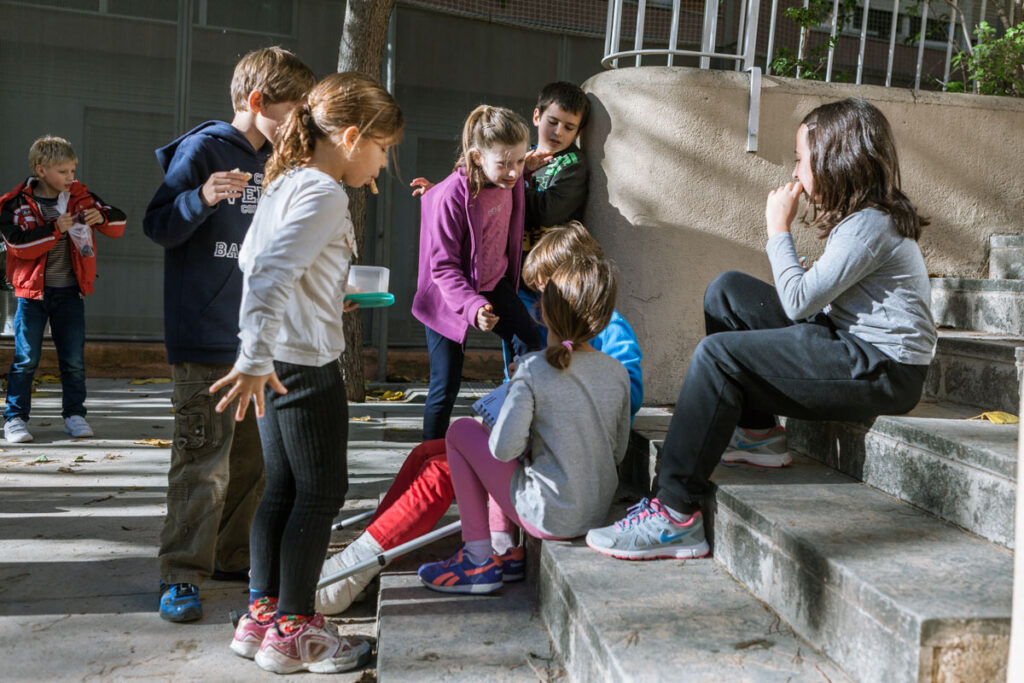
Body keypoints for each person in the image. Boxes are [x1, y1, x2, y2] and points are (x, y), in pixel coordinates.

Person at [586, 97, 937, 561]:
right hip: (851, 342)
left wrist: (778, 230)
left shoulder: (869, 224)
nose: (794, 172)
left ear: (834, 161)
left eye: (801, 160)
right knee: (727, 291)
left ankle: (673, 514)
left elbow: (795, 304)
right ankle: (757, 435)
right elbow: (809, 296)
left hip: (884, 368)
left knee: (719, 356)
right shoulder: (864, 220)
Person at [314, 221, 643, 615]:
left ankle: (457, 558)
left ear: (569, 290)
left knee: (451, 454)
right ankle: (374, 548)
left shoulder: (583, 345)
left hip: (550, 481)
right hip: (584, 492)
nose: (536, 303)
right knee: (426, 455)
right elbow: (616, 441)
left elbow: (513, 445)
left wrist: (536, 410)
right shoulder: (591, 356)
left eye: (544, 292)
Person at [211, 71, 403, 674]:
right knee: (321, 494)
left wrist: (325, 293)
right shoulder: (325, 193)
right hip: (304, 366)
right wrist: (252, 356)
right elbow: (267, 272)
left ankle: (262, 617)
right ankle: (296, 631)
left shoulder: (285, 181)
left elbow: (258, 262)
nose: (378, 170)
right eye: (381, 153)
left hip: (279, 361)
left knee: (284, 490)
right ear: (350, 137)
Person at [143, 46, 316, 624]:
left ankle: (231, 556)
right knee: (201, 460)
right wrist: (200, 196)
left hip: (254, 342)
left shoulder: (278, 163)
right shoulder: (203, 149)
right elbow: (159, 225)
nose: (297, 124)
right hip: (203, 341)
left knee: (251, 462)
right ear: (258, 101)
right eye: (291, 111)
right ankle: (180, 573)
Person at [418, 255, 631, 594]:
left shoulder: (532, 368)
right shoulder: (617, 372)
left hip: (548, 515)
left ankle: (477, 559)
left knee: (461, 431)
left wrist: (518, 394)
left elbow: (504, 450)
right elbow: (618, 450)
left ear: (544, 310)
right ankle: (505, 552)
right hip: (596, 511)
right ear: (604, 316)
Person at [412, 105, 542, 441]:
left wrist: (526, 167)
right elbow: (443, 267)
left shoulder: (509, 178)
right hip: (448, 296)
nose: (512, 172)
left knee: (531, 344)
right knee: (445, 385)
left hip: (492, 282)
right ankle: (430, 463)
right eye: (504, 163)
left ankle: (512, 430)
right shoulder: (451, 197)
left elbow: (512, 169)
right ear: (476, 157)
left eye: (518, 160)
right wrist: (471, 306)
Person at [0, 135, 126, 444]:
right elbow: (18, 245)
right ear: (40, 170)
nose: (70, 178)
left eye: (73, 170)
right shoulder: (15, 204)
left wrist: (103, 216)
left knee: (73, 359)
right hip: (31, 296)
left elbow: (118, 225)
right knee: (26, 358)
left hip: (70, 292)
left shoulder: (82, 197)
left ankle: (74, 415)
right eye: (63, 172)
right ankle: (15, 419)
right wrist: (56, 229)